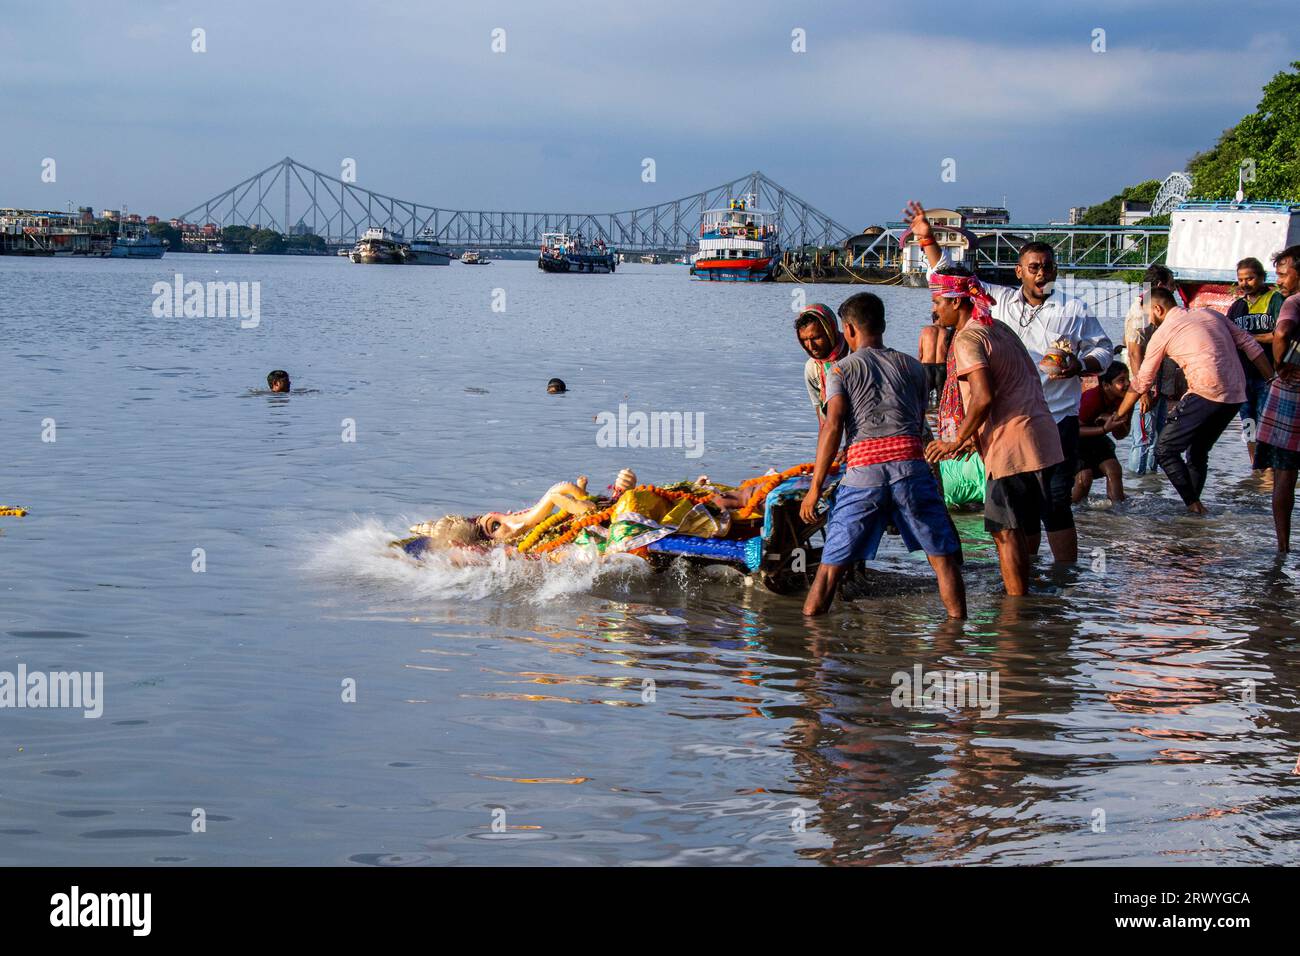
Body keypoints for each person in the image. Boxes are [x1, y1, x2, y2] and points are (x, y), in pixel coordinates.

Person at [905, 201, 1109, 564]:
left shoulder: (1073, 309)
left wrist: (1080, 364)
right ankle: (1027, 578)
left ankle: (1065, 578)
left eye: (1047, 267)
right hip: (1010, 423)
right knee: (1021, 508)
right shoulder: (996, 301)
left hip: (1056, 418)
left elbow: (1104, 349)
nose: (1041, 274)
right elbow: (951, 280)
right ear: (1020, 272)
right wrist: (926, 239)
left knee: (1056, 504)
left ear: (1056, 271)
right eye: (1034, 268)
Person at [800, 292, 966, 618]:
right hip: (912, 470)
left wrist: (815, 489)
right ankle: (955, 640)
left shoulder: (840, 371)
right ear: (883, 325)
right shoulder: (914, 368)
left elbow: (832, 426)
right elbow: (918, 424)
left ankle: (811, 654)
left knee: (830, 569)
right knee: (943, 562)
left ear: (847, 330)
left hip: (864, 475)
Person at [922, 266, 1064, 596]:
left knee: (1004, 531)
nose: (934, 309)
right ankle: (1031, 592)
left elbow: (984, 396)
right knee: (1027, 525)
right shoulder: (999, 328)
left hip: (1011, 445)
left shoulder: (970, 337)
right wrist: (973, 437)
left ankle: (1016, 610)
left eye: (938, 301)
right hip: (1042, 437)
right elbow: (1024, 380)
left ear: (956, 302)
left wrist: (956, 440)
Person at [1108, 288, 1272, 514]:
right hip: (1235, 395)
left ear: (1158, 309)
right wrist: (1272, 379)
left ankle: (1193, 506)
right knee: (1197, 452)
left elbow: (1142, 380)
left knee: (1164, 449)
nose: (1148, 320)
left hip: (1207, 391)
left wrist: (1120, 414)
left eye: (1148, 315)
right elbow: (1249, 343)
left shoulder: (1164, 331)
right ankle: (1193, 512)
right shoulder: (1211, 314)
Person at [1253, 246, 1300, 552]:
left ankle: (1283, 546)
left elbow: (1281, 332)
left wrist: (1280, 364)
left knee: (1284, 475)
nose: (1279, 280)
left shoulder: (1293, 303)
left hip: (1292, 396)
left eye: (1284, 274)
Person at [1227, 256, 1285, 469]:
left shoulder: (1275, 299)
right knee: (1248, 422)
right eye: (1241, 279)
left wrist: (1250, 339)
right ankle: (1256, 467)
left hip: (1268, 372)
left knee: (1266, 421)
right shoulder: (1237, 307)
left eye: (1250, 278)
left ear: (1261, 277)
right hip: (1242, 376)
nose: (1245, 283)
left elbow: (1279, 334)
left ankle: (1270, 467)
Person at [1123, 265, 1180, 474]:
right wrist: (1143, 391)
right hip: (1145, 386)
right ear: (1159, 286)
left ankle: (1152, 488)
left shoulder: (1159, 312)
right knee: (1143, 440)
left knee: (1159, 439)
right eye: (1171, 285)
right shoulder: (1140, 313)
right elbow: (1134, 354)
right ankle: (1137, 488)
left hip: (1162, 384)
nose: (1174, 290)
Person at [1073, 363, 1132, 504]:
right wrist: (1104, 429)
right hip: (1075, 442)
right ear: (1106, 385)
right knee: (1085, 478)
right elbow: (1074, 430)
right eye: (1121, 380)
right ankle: (1076, 515)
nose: (1127, 384)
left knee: (1114, 469)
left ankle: (1118, 515)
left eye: (1127, 379)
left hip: (1096, 439)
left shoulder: (1125, 400)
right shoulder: (1091, 399)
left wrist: (1116, 421)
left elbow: (1121, 435)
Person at [795, 303, 849, 424]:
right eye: (804, 340)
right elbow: (823, 421)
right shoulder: (812, 368)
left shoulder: (853, 354)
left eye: (816, 338)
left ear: (830, 331)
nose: (810, 346)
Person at [917, 320, 952, 408]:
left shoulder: (925, 330)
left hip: (926, 366)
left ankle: (927, 415)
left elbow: (920, 353)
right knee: (942, 398)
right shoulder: (948, 332)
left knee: (924, 398)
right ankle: (938, 416)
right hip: (942, 367)